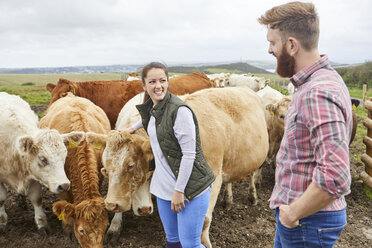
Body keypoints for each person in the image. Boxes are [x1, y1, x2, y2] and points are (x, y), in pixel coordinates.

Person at [258, 2, 352, 248]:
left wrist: (293, 213)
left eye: (272, 43)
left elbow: (336, 176)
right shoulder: (321, 80)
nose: (269, 50)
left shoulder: (317, 92)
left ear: (291, 45)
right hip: (304, 218)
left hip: (307, 221)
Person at [124, 62, 215, 248]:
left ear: (168, 82)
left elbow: (189, 155)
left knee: (190, 244)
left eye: (162, 80)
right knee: (173, 241)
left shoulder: (180, 112)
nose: (158, 86)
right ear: (144, 85)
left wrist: (179, 191)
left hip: (190, 189)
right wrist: (131, 128)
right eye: (152, 81)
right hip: (163, 187)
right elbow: (149, 119)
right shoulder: (153, 105)